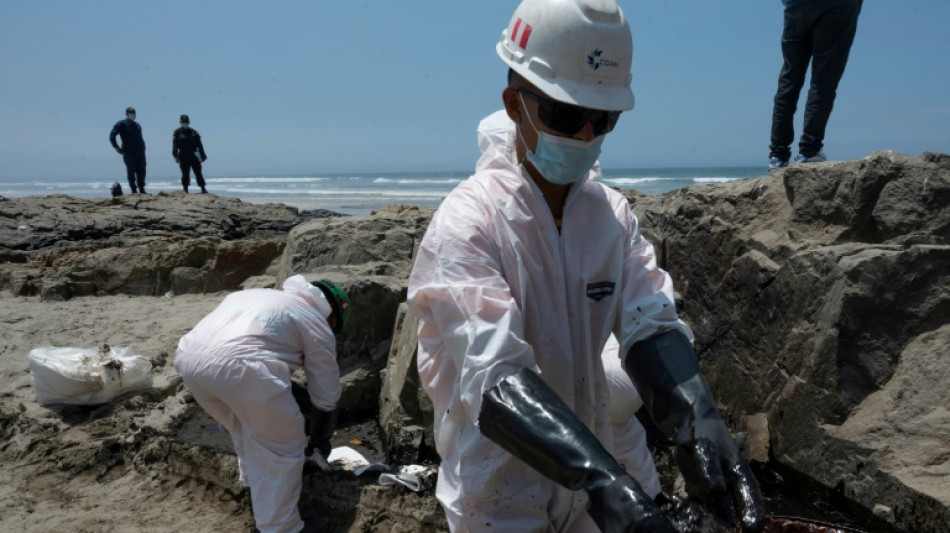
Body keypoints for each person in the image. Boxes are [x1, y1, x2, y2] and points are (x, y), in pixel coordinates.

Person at [406, 1, 765, 532]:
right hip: (498, 492)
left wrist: (701, 423)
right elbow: (495, 374)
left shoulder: (611, 216)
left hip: (591, 474)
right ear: (514, 104)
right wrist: (604, 481)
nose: (584, 136)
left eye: (603, 119)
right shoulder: (469, 222)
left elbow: (650, 325)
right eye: (566, 115)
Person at [173, 275, 351, 533]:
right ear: (332, 317)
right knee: (283, 444)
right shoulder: (316, 321)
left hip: (189, 360)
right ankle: (281, 527)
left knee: (245, 427)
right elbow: (325, 391)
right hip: (242, 366)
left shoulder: (254, 295)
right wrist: (321, 437)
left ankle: (252, 486)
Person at [768, 0, 863, 171]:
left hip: (795, 6)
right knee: (824, 80)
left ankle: (778, 156)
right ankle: (809, 151)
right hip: (836, 7)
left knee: (789, 80)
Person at [109, 106, 147, 193]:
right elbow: (112, 136)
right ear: (126, 114)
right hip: (129, 152)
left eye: (134, 113)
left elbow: (140, 138)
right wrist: (116, 147)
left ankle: (142, 189)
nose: (132, 115)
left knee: (142, 171)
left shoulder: (137, 125)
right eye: (131, 113)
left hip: (140, 151)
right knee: (131, 171)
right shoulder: (121, 124)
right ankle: (134, 190)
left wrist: (143, 148)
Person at [172, 114, 209, 193]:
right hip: (183, 155)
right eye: (183, 122)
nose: (185, 123)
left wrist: (203, 156)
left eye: (186, 122)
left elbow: (199, 145)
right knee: (185, 173)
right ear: (180, 122)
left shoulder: (194, 132)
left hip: (195, 155)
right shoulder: (177, 133)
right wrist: (175, 156)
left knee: (198, 172)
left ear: (189, 122)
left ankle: (203, 188)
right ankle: (185, 189)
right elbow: (175, 146)